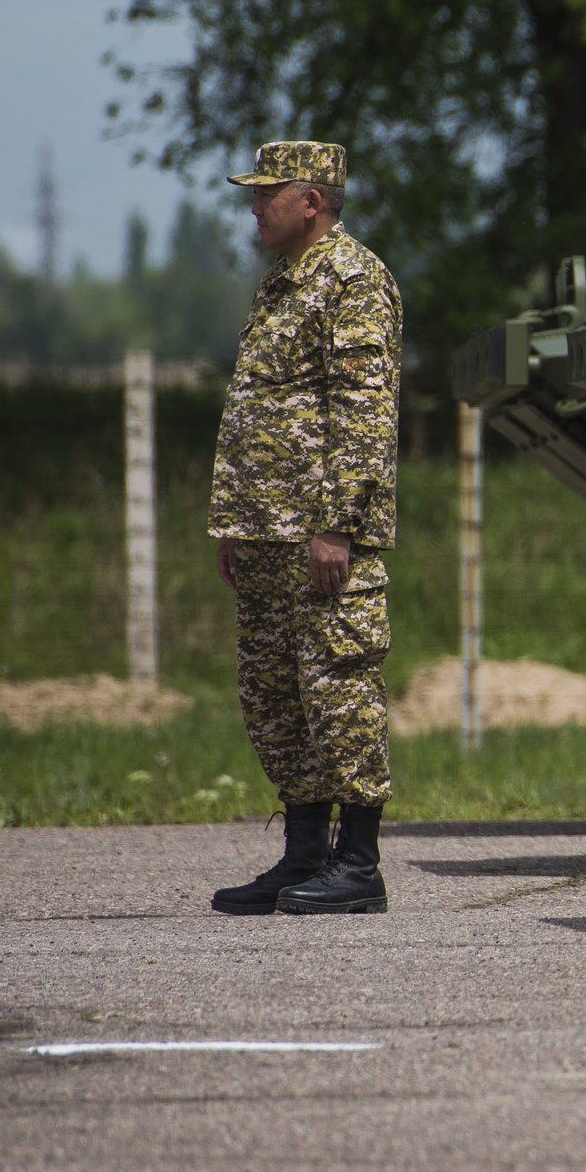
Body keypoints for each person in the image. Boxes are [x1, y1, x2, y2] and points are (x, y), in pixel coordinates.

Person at [206, 140, 405, 915]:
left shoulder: (353, 279)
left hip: (317, 532)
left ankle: (357, 866)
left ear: (311, 202)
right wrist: (240, 525)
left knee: (338, 688)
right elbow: (266, 409)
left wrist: (338, 524)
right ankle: (301, 857)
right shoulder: (280, 285)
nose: (253, 206)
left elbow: (363, 412)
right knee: (277, 695)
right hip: (265, 531)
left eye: (266, 193)